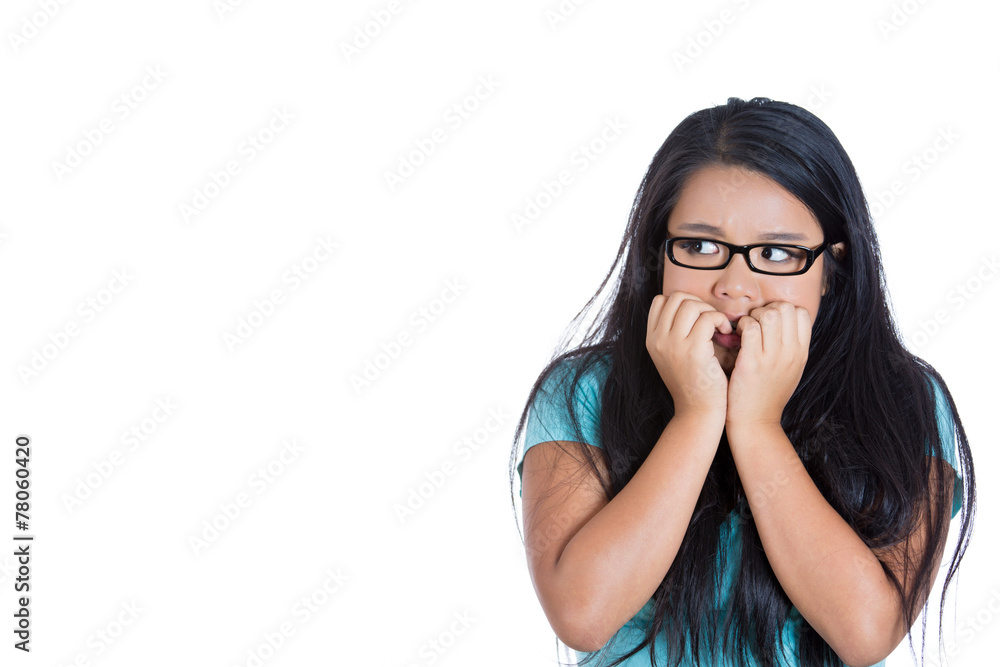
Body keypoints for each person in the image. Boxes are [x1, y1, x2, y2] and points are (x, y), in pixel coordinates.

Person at [509, 97, 975, 667]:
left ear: (832, 267)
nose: (735, 285)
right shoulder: (583, 390)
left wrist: (756, 426)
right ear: (660, 256)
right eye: (701, 246)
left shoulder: (905, 403)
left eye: (777, 253)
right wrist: (697, 415)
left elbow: (866, 633)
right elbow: (584, 615)